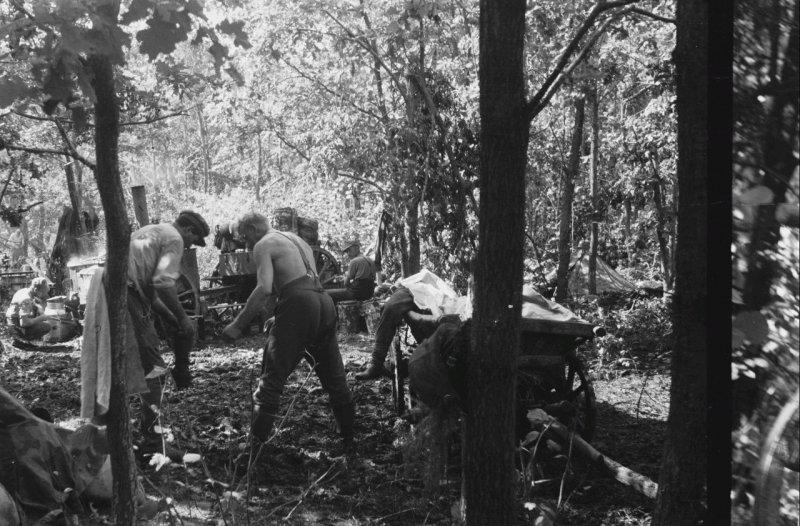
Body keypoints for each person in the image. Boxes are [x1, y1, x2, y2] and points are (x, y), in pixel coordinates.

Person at [81, 210, 209, 461]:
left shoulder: (151, 231)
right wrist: (184, 319)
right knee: (155, 369)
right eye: (194, 241)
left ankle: (118, 434)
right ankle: (153, 440)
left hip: (114, 291)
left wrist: (170, 318)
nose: (190, 245)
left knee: (121, 365)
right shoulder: (174, 238)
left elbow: (150, 292)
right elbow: (164, 283)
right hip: (124, 294)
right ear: (190, 231)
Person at [221, 212, 355, 451]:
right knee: (336, 380)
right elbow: (296, 281)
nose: (246, 243)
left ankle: (253, 451)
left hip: (300, 305)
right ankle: (350, 441)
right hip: (323, 302)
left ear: (253, 229)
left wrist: (237, 325)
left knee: (271, 380)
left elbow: (264, 288)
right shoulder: (295, 239)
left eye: (245, 237)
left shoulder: (263, 245)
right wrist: (282, 314)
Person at [355, 284, 421, 380]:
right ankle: (376, 364)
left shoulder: (400, 290)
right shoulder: (398, 293)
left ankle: (376, 364)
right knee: (390, 308)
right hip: (415, 288)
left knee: (390, 307)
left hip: (415, 286)